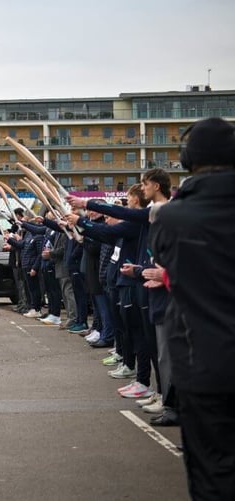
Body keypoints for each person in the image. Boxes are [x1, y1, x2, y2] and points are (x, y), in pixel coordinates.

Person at [151, 117, 235, 499]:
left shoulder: (173, 217)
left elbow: (169, 260)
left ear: (188, 160)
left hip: (203, 363)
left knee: (211, 468)